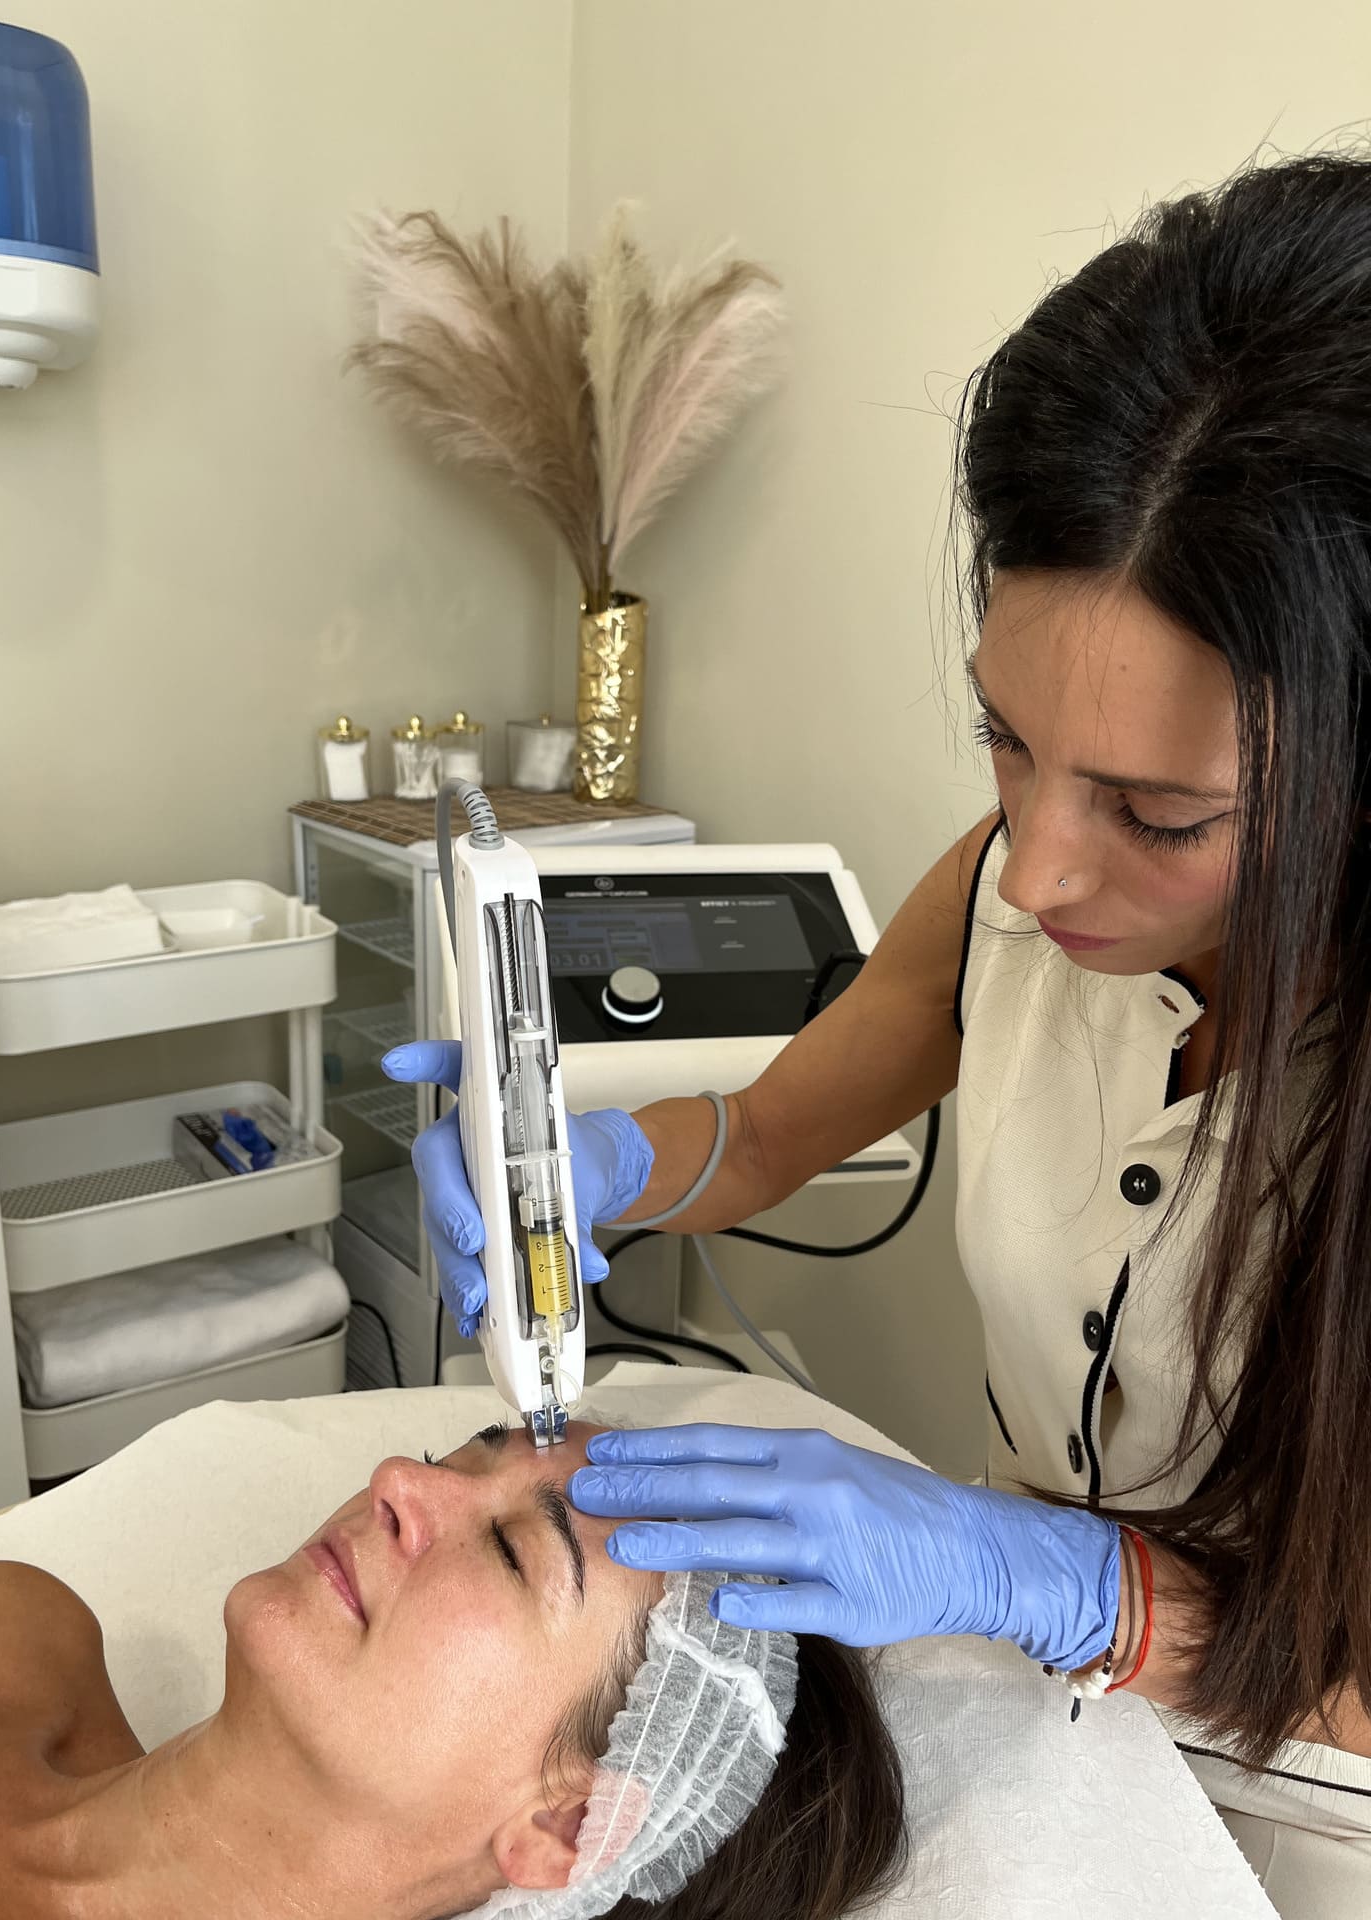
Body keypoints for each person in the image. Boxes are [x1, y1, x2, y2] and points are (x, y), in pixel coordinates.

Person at [385, 149, 1371, 1917]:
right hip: (1029, 1731)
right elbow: (769, 1136)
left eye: (1159, 815)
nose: (1037, 871)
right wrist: (587, 1169)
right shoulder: (1007, 877)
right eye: (1008, 741)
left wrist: (1061, 1583)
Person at [0, 1419, 904, 1920]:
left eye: (511, 1552)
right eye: (458, 1456)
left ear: (566, 1825)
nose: (397, 1479)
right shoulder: (2, 1634)